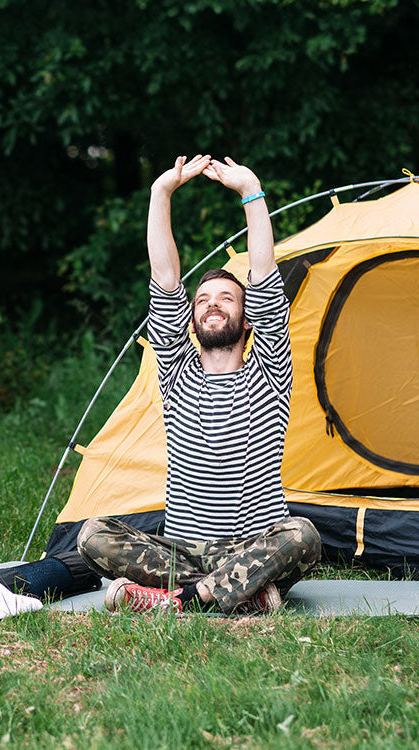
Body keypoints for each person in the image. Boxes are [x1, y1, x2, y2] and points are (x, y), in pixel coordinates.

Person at [76, 155, 321, 614]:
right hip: (182, 554)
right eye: (203, 299)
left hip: (253, 545)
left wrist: (250, 191)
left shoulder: (270, 372)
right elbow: (166, 279)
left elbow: (265, 277)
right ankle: (239, 594)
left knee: (302, 535)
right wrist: (160, 193)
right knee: (92, 534)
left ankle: (183, 600)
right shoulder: (176, 372)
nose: (212, 304)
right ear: (190, 319)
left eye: (227, 298)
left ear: (248, 319)